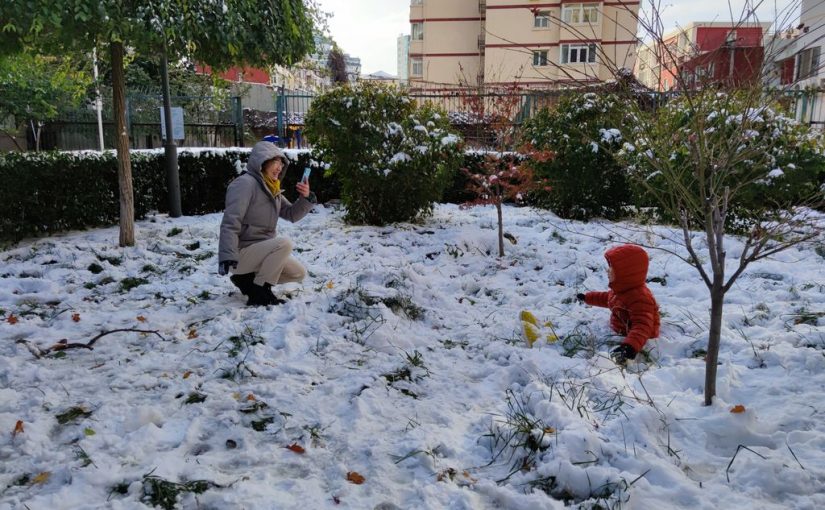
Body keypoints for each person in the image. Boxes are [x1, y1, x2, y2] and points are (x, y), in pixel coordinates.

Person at [218, 140, 316, 306]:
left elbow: (291, 214)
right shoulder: (245, 183)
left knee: (298, 273)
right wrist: (227, 256)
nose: (279, 168)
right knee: (284, 244)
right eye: (275, 162)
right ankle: (260, 291)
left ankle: (246, 281)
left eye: (281, 164)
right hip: (240, 254)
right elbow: (231, 221)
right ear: (262, 162)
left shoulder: (272, 188)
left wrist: (306, 198)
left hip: (262, 252)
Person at [577, 244, 660, 365]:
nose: (608, 270)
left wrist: (630, 346)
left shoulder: (640, 299)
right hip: (623, 329)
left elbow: (642, 326)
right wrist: (587, 298)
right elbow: (608, 299)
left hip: (638, 337)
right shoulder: (623, 289)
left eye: (612, 268)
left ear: (626, 273)